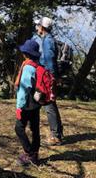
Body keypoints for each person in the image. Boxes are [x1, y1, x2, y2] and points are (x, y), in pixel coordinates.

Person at [36, 17, 64, 145]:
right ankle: (57, 133)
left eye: (38, 25)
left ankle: (55, 136)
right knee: (50, 103)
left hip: (47, 76)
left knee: (48, 104)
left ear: (42, 27)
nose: (36, 27)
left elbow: (49, 59)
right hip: (49, 75)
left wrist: (52, 77)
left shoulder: (47, 41)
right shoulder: (48, 39)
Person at [15, 39, 41, 166]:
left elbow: (23, 90)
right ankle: (35, 154)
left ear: (26, 53)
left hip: (27, 104)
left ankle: (29, 153)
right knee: (35, 129)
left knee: (19, 128)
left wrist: (19, 107)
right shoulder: (37, 65)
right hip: (37, 102)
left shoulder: (27, 67)